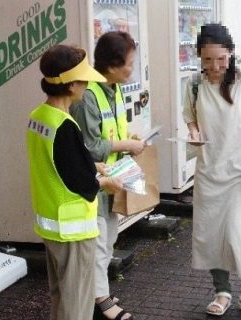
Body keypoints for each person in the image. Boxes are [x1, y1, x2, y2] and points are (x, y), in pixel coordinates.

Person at [26, 44, 122, 320]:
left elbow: (56, 163)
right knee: (77, 305)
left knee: (61, 298)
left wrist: (91, 165)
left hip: (51, 224)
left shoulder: (39, 117)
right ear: (69, 84)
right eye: (83, 80)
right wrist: (107, 181)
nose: (86, 85)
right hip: (73, 230)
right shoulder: (65, 126)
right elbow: (80, 182)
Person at [182, 23, 241, 316]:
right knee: (212, 233)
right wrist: (194, 132)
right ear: (199, 57)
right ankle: (221, 290)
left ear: (231, 53)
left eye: (221, 58)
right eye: (207, 60)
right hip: (209, 170)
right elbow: (191, 118)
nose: (215, 66)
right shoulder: (194, 83)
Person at [70, 31, 144, 320]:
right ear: (113, 65)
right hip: (94, 183)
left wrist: (130, 140)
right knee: (99, 245)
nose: (132, 69)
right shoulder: (88, 96)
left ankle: (99, 294)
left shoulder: (112, 89)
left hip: (112, 179)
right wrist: (127, 145)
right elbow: (88, 146)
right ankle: (101, 302)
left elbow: (108, 134)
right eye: (130, 63)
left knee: (108, 240)